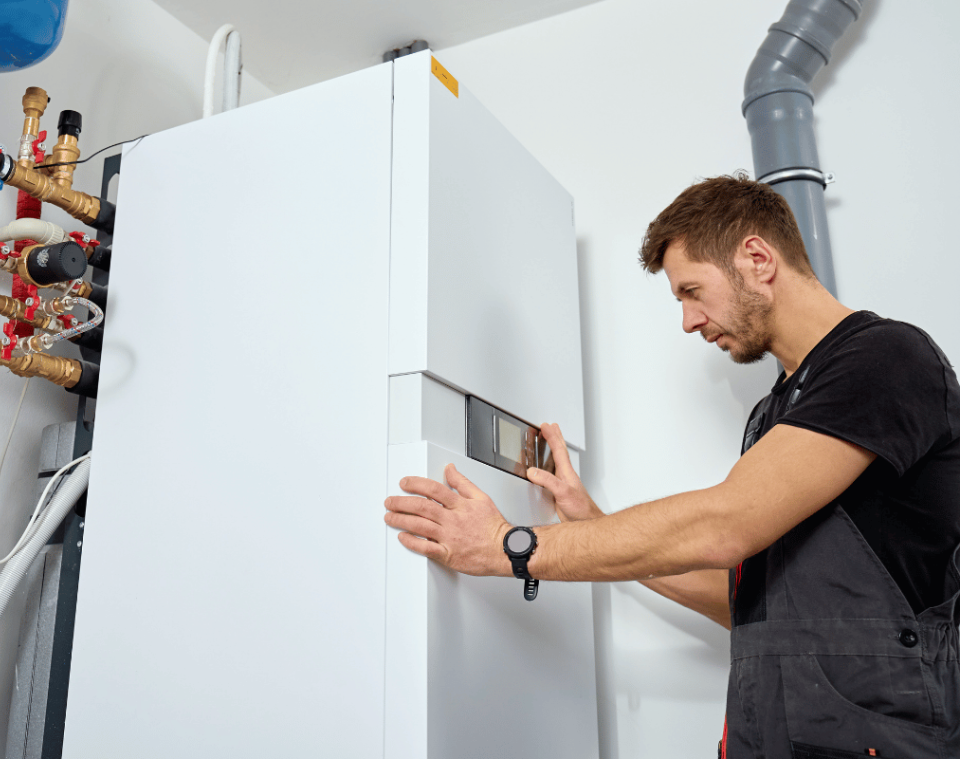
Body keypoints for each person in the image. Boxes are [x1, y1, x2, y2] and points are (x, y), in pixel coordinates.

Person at [384, 174, 960, 759]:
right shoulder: (775, 411)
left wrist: (509, 547)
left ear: (757, 258)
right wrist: (589, 522)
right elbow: (749, 607)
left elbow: (722, 526)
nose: (687, 321)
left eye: (691, 290)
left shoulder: (884, 357)